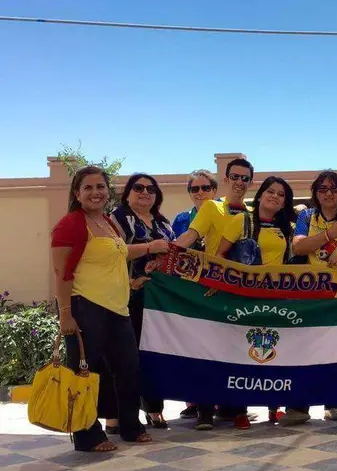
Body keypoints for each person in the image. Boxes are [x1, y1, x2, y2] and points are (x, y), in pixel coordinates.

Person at [51, 165, 168, 451]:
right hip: (85, 307)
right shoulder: (71, 224)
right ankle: (87, 435)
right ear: (77, 194)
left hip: (118, 309)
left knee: (128, 369)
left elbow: (120, 252)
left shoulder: (108, 222)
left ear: (108, 191)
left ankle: (130, 426)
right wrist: (65, 312)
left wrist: (151, 247)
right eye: (88, 188)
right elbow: (61, 271)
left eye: (100, 187)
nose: (95, 192)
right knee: (84, 374)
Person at [281, 170, 337, 426]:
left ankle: (334, 402)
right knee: (304, 349)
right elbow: (298, 247)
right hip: (308, 296)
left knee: (335, 349)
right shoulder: (306, 217)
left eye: (334, 189)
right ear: (315, 194)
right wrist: (329, 235)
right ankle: (299, 405)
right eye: (323, 189)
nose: (329, 194)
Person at [173, 157, 256, 430]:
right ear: (226, 179)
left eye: (245, 178)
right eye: (235, 177)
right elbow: (190, 236)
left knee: (237, 350)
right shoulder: (211, 207)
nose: (240, 182)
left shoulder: (251, 214)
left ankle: (235, 409)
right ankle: (204, 411)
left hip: (240, 294)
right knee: (206, 350)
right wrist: (166, 252)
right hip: (210, 290)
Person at [218, 175, 297, 423]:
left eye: (281, 194)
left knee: (275, 353)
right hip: (244, 298)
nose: (275, 196)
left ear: (285, 202)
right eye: (270, 191)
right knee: (243, 353)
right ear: (261, 194)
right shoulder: (240, 221)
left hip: (276, 298)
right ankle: (239, 409)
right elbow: (220, 256)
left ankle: (274, 408)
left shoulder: (289, 228)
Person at [111, 174, 175, 431]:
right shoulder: (117, 218)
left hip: (158, 301)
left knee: (153, 354)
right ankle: (118, 416)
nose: (145, 192)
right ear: (127, 193)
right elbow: (113, 250)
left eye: (151, 189)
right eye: (138, 188)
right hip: (128, 296)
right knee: (125, 357)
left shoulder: (164, 222)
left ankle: (154, 409)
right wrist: (150, 248)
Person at [171, 169, 218, 419]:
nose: (200, 193)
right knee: (191, 348)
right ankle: (193, 401)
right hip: (190, 293)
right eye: (194, 189)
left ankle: (219, 402)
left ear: (215, 190)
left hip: (220, 292)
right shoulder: (180, 220)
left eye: (205, 188)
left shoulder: (227, 215)